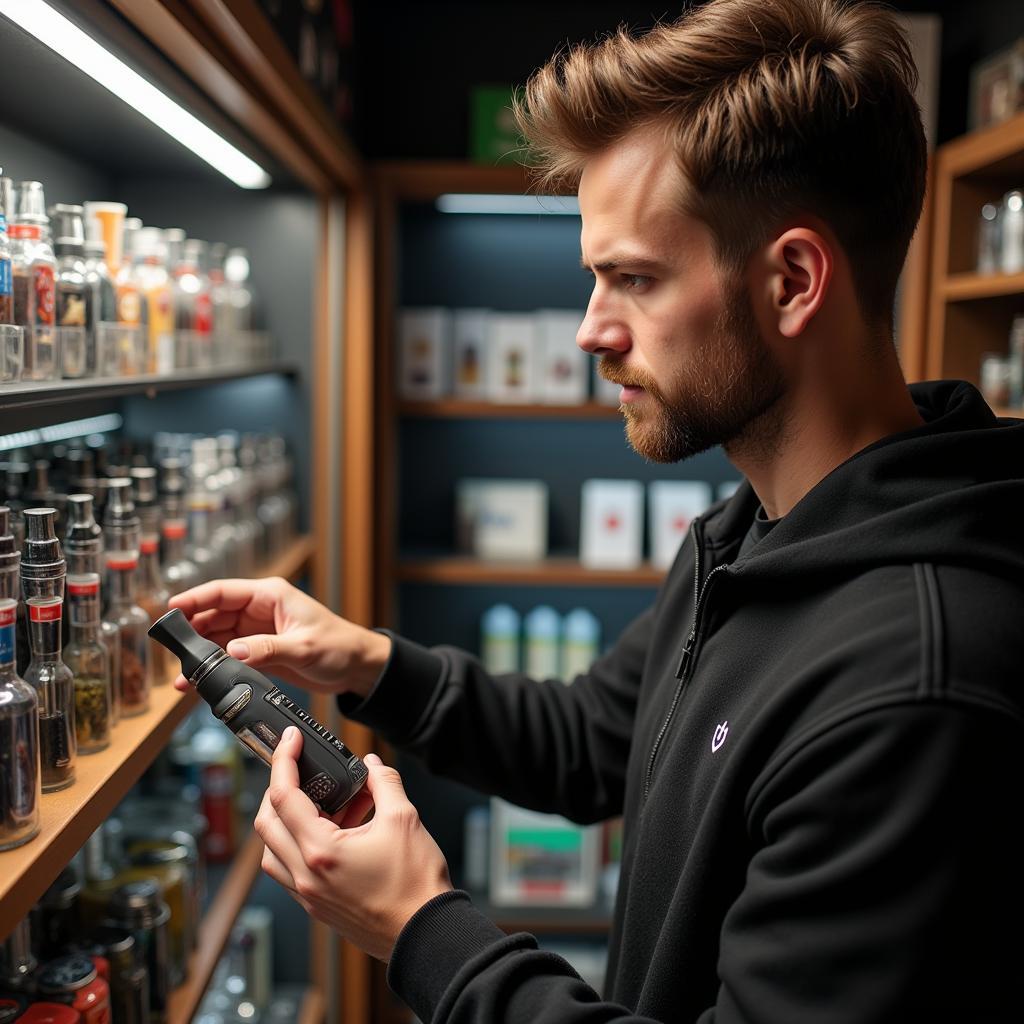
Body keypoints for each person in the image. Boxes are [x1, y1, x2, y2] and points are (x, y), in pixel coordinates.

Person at [172, 0, 1024, 1020]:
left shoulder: (916, 689)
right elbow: (595, 741)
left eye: (633, 279)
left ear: (792, 280)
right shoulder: (754, 529)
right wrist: (369, 664)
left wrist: (421, 932)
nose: (588, 330)